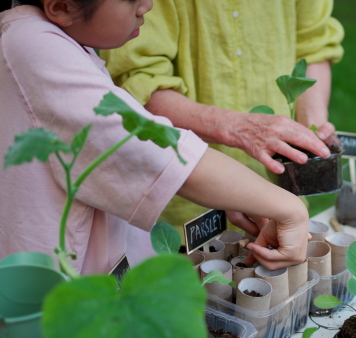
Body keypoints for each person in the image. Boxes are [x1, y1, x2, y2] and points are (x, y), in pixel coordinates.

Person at [0, 0, 309, 274]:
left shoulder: (45, 39)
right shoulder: (35, 49)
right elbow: (153, 149)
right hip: (54, 288)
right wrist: (289, 208)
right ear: (62, 7)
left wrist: (238, 194)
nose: (147, 5)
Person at [100, 0, 345, 230]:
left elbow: (313, 45)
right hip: (183, 199)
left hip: (281, 189)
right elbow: (137, 85)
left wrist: (312, 130)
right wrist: (242, 130)